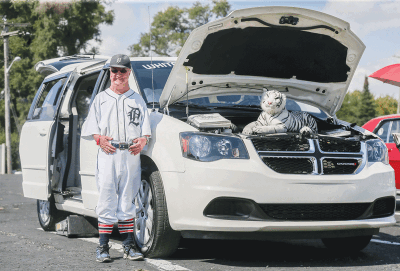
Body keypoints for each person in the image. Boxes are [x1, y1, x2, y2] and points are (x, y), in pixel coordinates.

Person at [81, 54, 151, 263]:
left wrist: (143, 140)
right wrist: (99, 139)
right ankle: (103, 246)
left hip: (130, 153)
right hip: (108, 153)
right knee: (107, 197)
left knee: (128, 198)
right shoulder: (101, 98)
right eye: (114, 70)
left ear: (129, 72)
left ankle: (128, 245)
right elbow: (92, 126)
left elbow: (145, 128)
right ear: (110, 73)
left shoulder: (137, 99)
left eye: (122, 70)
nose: (118, 74)